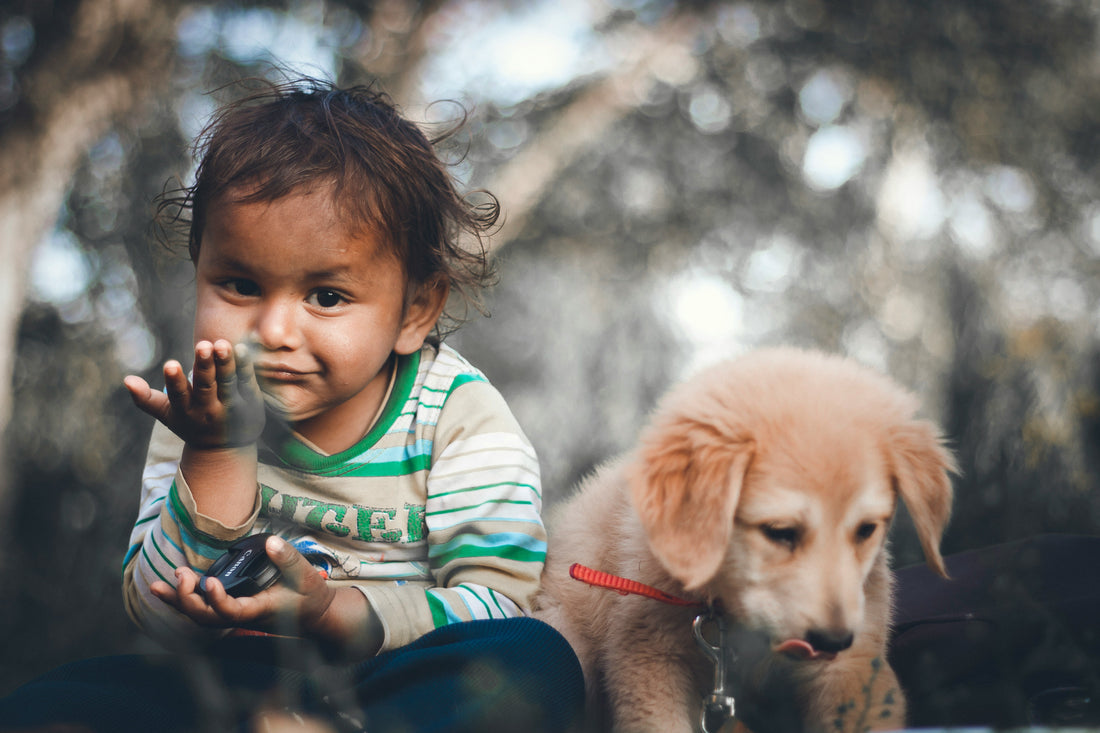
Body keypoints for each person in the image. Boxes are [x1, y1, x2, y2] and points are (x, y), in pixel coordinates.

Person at [0, 78, 583, 733]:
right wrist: (215, 453)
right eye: (241, 284)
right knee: (50, 701)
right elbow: (156, 612)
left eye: (327, 296)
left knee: (537, 658)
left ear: (415, 309)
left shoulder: (456, 415)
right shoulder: (202, 409)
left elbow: (496, 602)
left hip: (395, 678)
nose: (273, 329)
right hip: (227, 677)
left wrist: (335, 610)